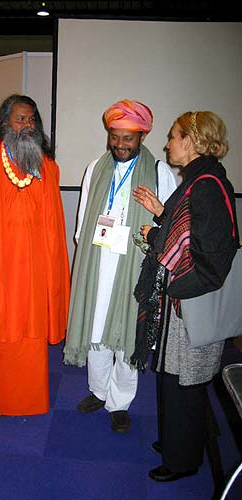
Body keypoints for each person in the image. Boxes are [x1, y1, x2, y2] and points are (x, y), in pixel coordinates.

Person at [132, 111, 239, 481]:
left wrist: (155, 242)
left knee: (185, 384)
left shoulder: (206, 185)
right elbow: (189, 231)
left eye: (174, 136)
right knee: (173, 379)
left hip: (189, 302)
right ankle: (177, 440)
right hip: (182, 300)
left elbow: (210, 259)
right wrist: (162, 214)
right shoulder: (201, 180)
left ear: (192, 141)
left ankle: (183, 461)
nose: (167, 143)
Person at [63, 99, 177, 433]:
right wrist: (85, 256)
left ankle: (120, 401)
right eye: (115, 136)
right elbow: (84, 219)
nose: (120, 145)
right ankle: (98, 391)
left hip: (136, 264)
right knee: (97, 326)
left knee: (128, 330)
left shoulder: (159, 172)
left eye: (127, 138)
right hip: (99, 259)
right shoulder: (96, 166)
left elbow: (169, 223)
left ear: (141, 136)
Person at [0, 94, 70, 416]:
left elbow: (54, 227)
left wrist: (53, 269)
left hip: (34, 270)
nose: (27, 126)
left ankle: (29, 399)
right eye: (20, 119)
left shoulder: (48, 168)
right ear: (5, 124)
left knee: (31, 330)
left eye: (31, 120)